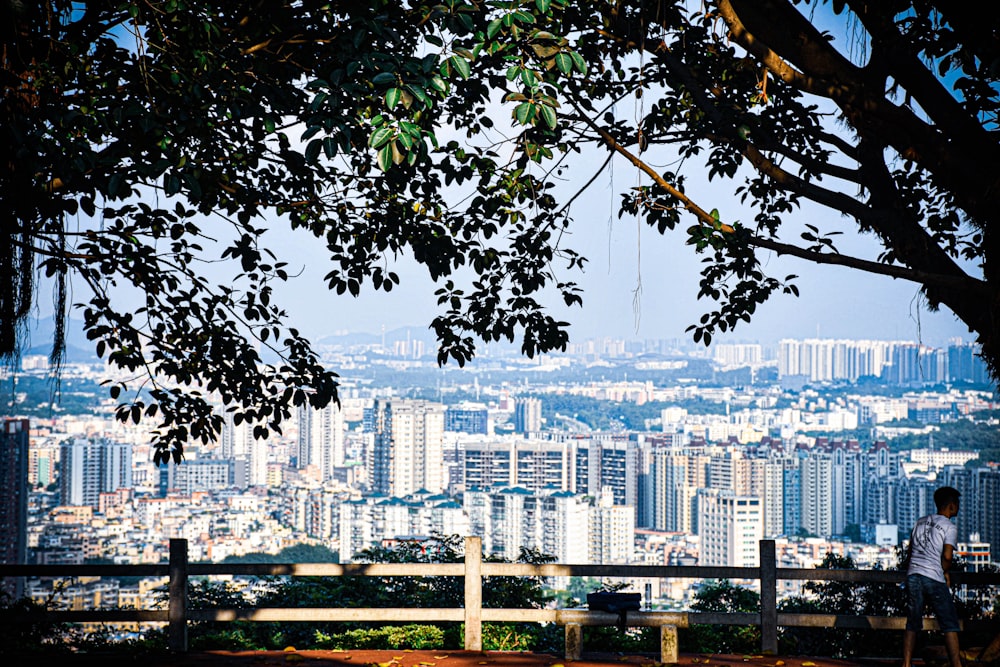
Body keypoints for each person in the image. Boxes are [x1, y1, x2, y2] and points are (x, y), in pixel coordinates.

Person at [901, 486, 962, 667]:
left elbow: (910, 552)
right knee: (949, 624)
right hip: (933, 577)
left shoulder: (920, 522)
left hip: (913, 575)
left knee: (913, 623)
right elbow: (948, 556)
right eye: (956, 504)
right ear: (951, 506)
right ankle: (956, 665)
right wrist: (944, 571)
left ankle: (905, 663)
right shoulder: (949, 527)